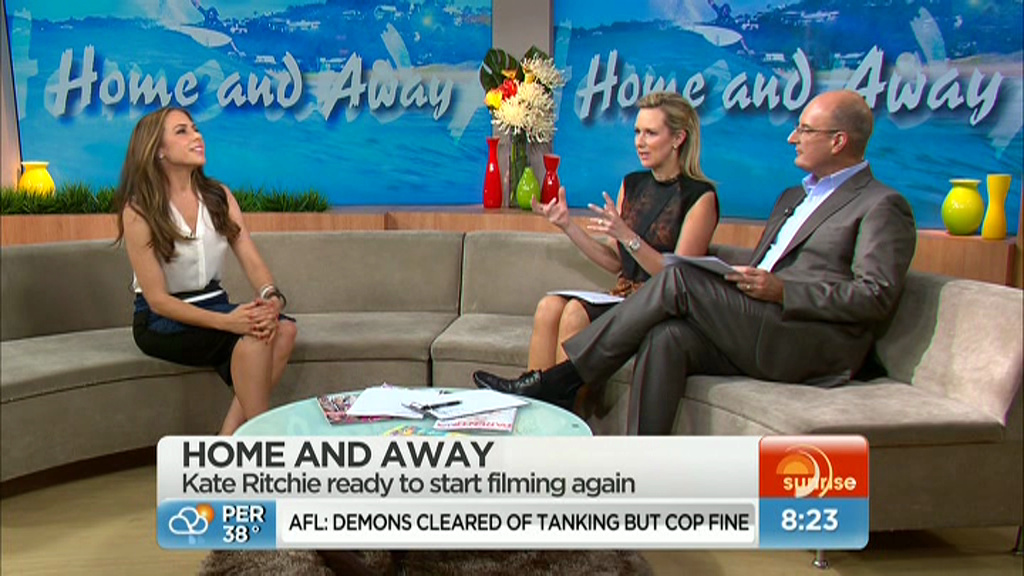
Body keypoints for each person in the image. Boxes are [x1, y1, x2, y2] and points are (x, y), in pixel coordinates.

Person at [474, 89, 917, 435]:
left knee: (679, 277)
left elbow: (875, 296)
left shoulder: (881, 205)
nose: (792, 137)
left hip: (807, 340)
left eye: (804, 129)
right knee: (667, 336)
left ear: (838, 141)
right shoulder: (792, 196)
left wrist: (783, 290)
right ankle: (640, 469)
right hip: (761, 319)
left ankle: (562, 380)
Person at [114, 107, 298, 436]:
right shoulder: (139, 209)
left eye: (195, 128)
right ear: (158, 150)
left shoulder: (218, 197)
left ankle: (225, 441)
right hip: (160, 319)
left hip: (214, 302)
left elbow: (251, 259)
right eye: (182, 131)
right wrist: (230, 322)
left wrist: (271, 299)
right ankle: (262, 441)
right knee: (254, 336)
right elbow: (157, 300)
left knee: (283, 329)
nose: (196, 136)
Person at [526, 91, 718, 376]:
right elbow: (616, 262)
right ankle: (533, 399)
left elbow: (678, 279)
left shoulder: (700, 197)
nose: (640, 142)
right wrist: (568, 225)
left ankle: (567, 401)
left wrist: (628, 236)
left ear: (678, 138)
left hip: (658, 308)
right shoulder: (632, 184)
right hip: (623, 296)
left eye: (651, 133)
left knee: (575, 313)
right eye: (637, 132)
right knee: (548, 307)